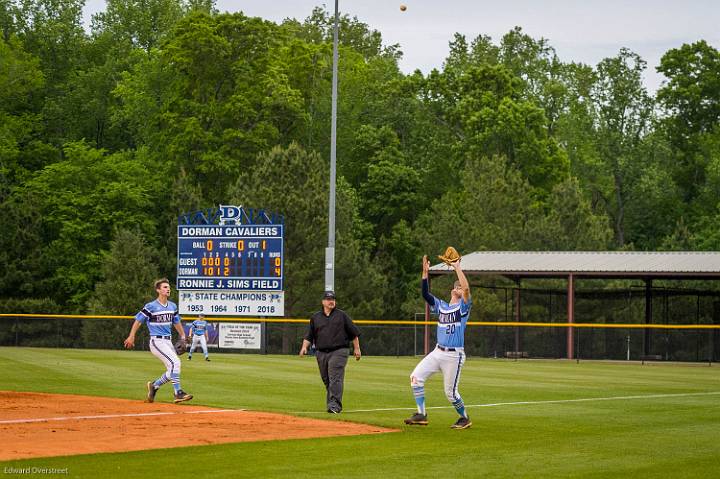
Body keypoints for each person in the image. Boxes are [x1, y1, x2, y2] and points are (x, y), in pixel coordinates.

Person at [405, 255, 472, 429]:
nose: (458, 288)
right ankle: (422, 414)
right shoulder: (442, 306)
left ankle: (464, 418)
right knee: (416, 377)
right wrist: (425, 273)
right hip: (437, 352)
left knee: (450, 393)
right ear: (452, 289)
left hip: (453, 355)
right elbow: (425, 294)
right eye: (456, 286)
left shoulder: (462, 308)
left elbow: (466, 289)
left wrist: (457, 267)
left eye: (459, 287)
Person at [123, 278, 193, 404]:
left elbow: (176, 322)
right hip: (156, 342)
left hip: (168, 342)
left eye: (168, 287)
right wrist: (131, 336)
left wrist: (183, 336)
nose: (168, 289)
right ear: (158, 290)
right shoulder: (151, 306)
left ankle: (154, 386)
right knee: (175, 363)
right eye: (165, 287)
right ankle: (178, 393)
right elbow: (138, 320)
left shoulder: (172, 306)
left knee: (172, 369)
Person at [299, 291, 361, 413]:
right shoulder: (316, 317)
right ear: (323, 302)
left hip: (339, 351)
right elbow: (309, 335)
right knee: (327, 379)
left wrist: (357, 348)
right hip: (321, 352)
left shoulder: (342, 315)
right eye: (328, 299)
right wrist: (304, 347)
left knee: (335, 377)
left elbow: (354, 333)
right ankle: (331, 403)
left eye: (332, 299)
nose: (331, 301)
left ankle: (335, 406)